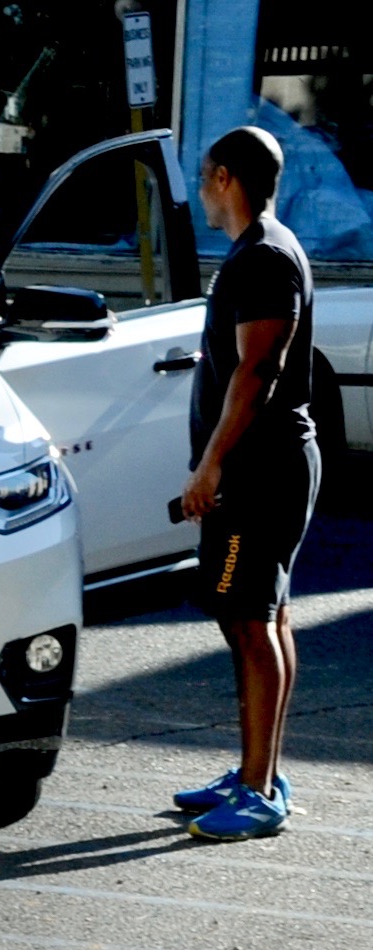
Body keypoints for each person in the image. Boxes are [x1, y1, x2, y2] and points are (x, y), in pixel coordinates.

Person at [173, 125, 321, 841]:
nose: (199, 190)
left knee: (247, 618)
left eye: (202, 176)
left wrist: (210, 465)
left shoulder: (261, 257)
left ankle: (259, 791)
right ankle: (254, 772)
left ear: (224, 177)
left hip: (259, 468)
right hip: (266, 463)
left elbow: (255, 373)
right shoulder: (260, 248)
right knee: (267, 614)